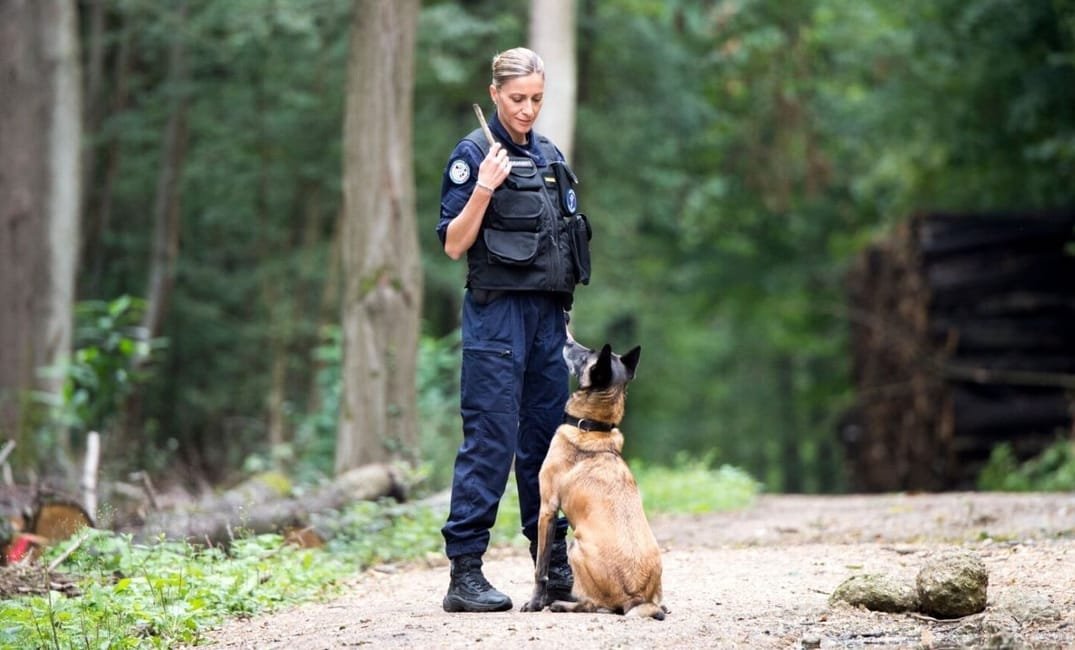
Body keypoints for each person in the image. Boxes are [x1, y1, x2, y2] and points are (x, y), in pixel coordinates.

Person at [436, 47, 591, 613]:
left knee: (547, 445)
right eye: (518, 98)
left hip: (547, 320)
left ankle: (552, 568)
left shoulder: (549, 155)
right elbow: (454, 244)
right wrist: (484, 186)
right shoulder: (474, 153)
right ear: (495, 94)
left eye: (537, 99)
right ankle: (465, 575)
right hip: (497, 317)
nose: (527, 109)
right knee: (491, 440)